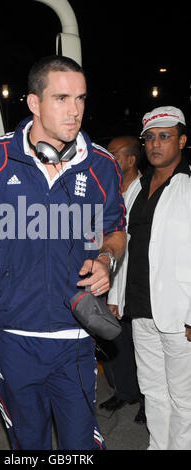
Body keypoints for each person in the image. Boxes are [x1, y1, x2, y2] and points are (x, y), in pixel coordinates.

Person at [0, 55, 126, 450]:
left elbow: (116, 231)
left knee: (81, 449)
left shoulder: (103, 167)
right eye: (61, 98)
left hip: (76, 338)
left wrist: (107, 258)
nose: (75, 111)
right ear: (33, 103)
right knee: (29, 446)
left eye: (81, 99)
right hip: (14, 339)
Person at [106, 105, 191, 450]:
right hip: (140, 308)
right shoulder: (135, 189)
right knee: (153, 390)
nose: (156, 144)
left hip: (177, 311)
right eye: (150, 138)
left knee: (183, 396)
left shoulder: (188, 188)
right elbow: (122, 242)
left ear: (182, 141)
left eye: (165, 136)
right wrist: (114, 295)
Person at [99, 136, 146, 424]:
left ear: (130, 160)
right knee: (115, 342)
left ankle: (146, 398)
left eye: (114, 154)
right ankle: (124, 391)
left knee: (142, 347)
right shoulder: (110, 190)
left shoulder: (145, 192)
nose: (109, 159)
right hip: (110, 278)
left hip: (134, 283)